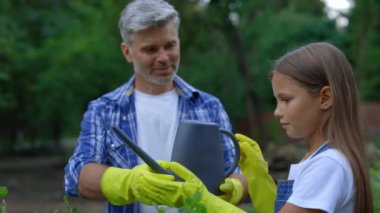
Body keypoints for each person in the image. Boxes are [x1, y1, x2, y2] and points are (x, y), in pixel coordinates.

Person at [136, 42, 374, 213]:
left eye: (286, 100)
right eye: (276, 100)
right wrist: (259, 178)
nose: (277, 111)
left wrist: (201, 198)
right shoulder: (315, 159)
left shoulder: (328, 165)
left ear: (325, 98)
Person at [63, 0, 247, 212]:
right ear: (127, 52)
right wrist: (130, 182)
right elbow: (77, 175)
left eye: (170, 46)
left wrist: (233, 188)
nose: (163, 57)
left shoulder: (208, 106)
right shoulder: (104, 110)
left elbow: (236, 174)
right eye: (150, 49)